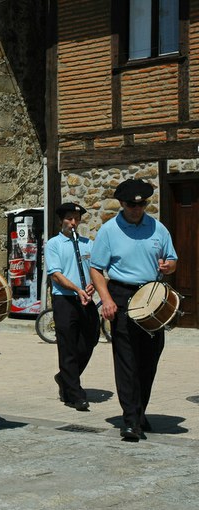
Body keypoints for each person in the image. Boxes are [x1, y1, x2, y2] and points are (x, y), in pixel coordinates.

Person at [90, 178, 178, 442]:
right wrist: (106, 299)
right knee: (127, 361)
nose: (137, 209)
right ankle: (130, 421)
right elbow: (96, 268)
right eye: (131, 205)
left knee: (149, 360)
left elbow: (172, 259)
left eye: (142, 205)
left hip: (152, 296)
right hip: (122, 294)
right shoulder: (109, 230)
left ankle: (139, 412)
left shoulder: (158, 228)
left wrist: (169, 266)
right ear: (122, 203)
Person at [45, 202, 99, 412]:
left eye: (76, 219)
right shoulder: (54, 244)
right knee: (67, 346)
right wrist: (77, 289)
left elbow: (96, 269)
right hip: (65, 300)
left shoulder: (88, 244)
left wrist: (93, 284)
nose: (73, 223)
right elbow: (55, 274)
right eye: (69, 218)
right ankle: (75, 394)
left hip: (86, 299)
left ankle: (64, 378)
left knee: (90, 339)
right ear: (62, 220)